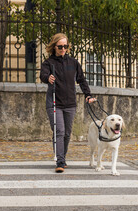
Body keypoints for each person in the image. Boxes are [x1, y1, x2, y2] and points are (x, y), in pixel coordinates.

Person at [40, 33, 96, 173]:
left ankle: (62, 157)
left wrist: (88, 95)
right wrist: (48, 78)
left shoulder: (73, 63)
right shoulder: (48, 63)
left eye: (65, 46)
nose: (63, 49)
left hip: (70, 103)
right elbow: (43, 75)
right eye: (60, 47)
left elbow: (81, 80)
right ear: (54, 47)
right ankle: (59, 161)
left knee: (67, 133)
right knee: (59, 131)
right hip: (54, 102)